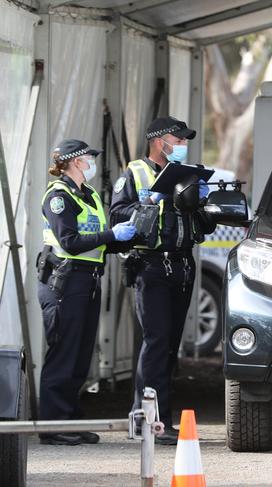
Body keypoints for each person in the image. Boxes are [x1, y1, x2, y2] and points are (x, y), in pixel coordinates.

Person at [109, 116, 216, 445]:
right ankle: (149, 422)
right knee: (155, 344)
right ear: (159, 141)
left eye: (185, 140)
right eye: (178, 139)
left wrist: (201, 202)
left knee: (169, 347)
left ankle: (159, 417)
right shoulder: (136, 172)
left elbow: (204, 226)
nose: (183, 145)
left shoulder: (187, 174)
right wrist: (150, 202)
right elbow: (116, 214)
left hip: (182, 267)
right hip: (152, 267)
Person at [38, 139, 136, 446]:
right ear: (76, 162)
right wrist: (111, 234)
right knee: (64, 353)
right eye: (89, 157)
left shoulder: (89, 195)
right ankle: (52, 427)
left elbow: (99, 242)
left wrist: (129, 237)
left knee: (81, 357)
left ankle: (71, 418)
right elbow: (70, 241)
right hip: (65, 282)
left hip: (88, 280)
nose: (93, 161)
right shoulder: (58, 196)